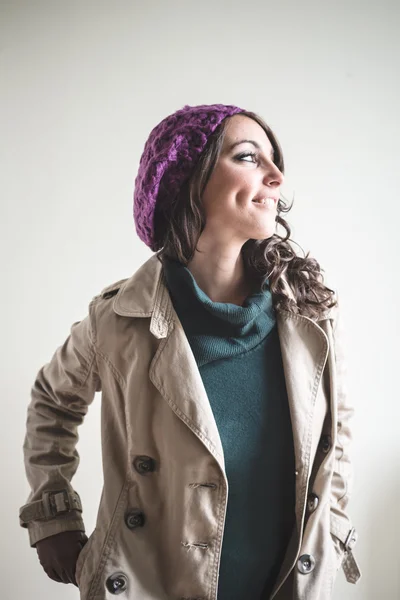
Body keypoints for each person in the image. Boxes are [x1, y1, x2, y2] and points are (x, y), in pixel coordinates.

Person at [19, 103, 361, 600]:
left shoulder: (313, 312)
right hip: (153, 582)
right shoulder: (117, 320)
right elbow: (52, 400)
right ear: (187, 180)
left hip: (289, 584)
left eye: (274, 160)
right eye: (249, 157)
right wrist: (53, 517)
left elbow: (339, 433)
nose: (276, 175)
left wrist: (331, 525)